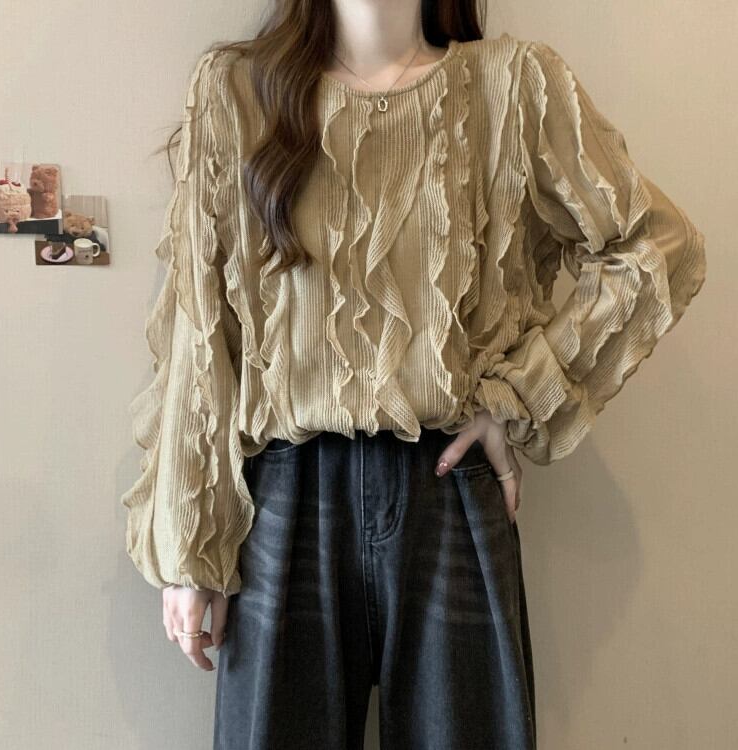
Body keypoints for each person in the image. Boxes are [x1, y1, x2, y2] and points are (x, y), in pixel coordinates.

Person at [120, 1, 707, 748]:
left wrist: (517, 398)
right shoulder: (237, 91)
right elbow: (199, 327)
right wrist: (190, 546)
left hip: (449, 487)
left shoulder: (513, 87)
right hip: (286, 501)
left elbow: (659, 248)